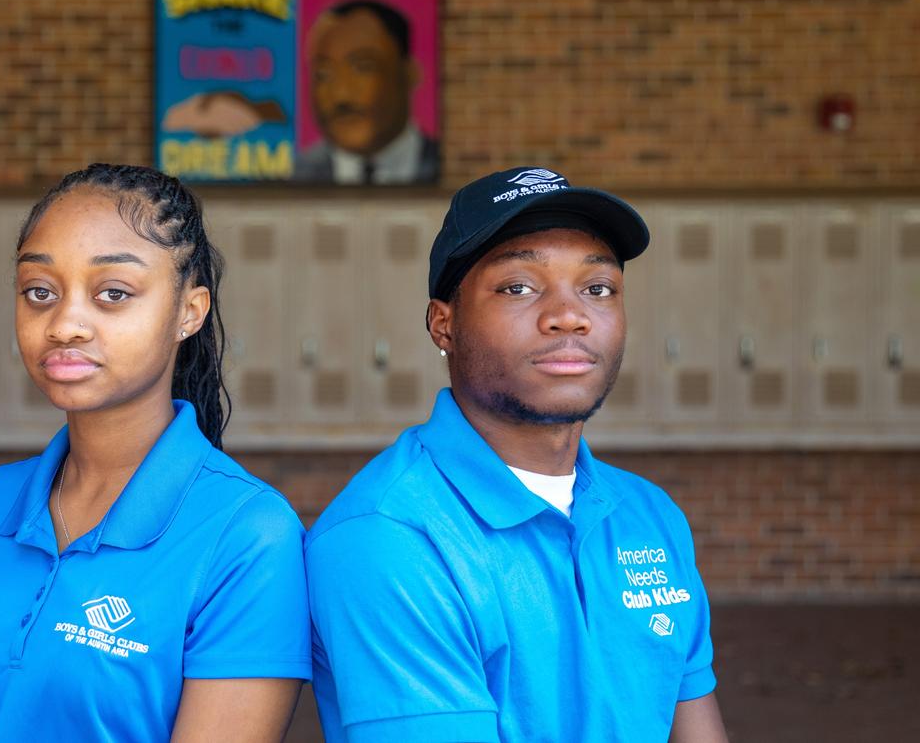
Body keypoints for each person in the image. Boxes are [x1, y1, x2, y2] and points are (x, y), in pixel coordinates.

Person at [305, 167, 728, 742]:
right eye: (518, 287)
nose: (569, 315)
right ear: (443, 323)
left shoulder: (648, 515)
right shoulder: (388, 536)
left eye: (597, 289)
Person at [0, 164, 311, 743]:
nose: (65, 324)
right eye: (40, 292)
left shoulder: (247, 536)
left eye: (112, 294)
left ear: (190, 310)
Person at [295, 0, 438, 185]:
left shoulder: (448, 165)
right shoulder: (298, 173)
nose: (341, 95)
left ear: (409, 73)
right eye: (323, 74)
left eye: (363, 67)